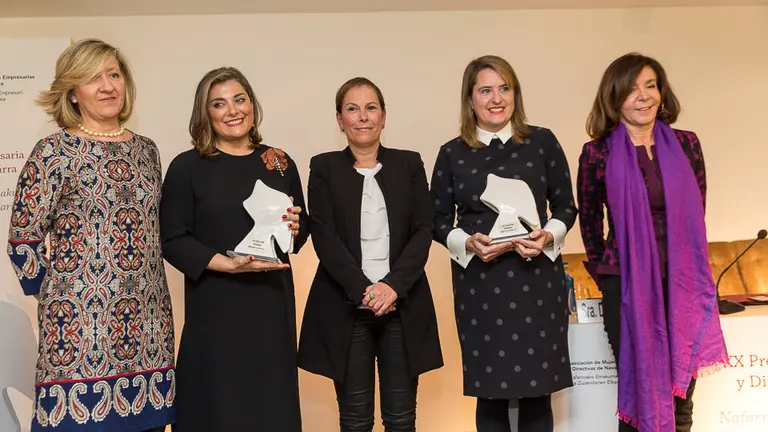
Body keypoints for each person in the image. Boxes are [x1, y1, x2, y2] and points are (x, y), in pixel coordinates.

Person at [7, 38, 175, 431]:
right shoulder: (53, 150)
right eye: (92, 78)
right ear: (72, 92)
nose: (107, 86)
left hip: (149, 329)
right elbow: (22, 239)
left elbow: (162, 228)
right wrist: (58, 296)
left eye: (114, 74)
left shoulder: (147, 150)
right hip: (80, 335)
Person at [577, 52, 728, 432]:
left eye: (650, 85)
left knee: (682, 391)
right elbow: (591, 223)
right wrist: (609, 274)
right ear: (614, 98)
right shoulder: (598, 152)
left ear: (662, 92)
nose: (642, 96)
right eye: (630, 89)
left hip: (684, 280)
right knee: (639, 388)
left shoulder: (687, 144)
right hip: (624, 282)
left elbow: (697, 210)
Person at [430, 55, 577, 432]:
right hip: (481, 285)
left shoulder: (542, 142)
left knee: (537, 392)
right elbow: (437, 220)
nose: (496, 98)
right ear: (470, 99)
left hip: (538, 283)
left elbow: (565, 207)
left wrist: (549, 235)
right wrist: (467, 242)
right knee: (490, 393)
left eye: (504, 88)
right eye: (485, 90)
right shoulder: (451, 153)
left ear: (515, 94)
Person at [160, 67, 309, 431]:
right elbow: (172, 239)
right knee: (216, 407)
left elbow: (298, 234)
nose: (232, 110)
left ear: (252, 105)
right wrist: (226, 265)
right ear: (205, 113)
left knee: (270, 405)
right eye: (219, 103)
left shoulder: (279, 161)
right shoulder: (187, 166)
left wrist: (297, 227)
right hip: (216, 307)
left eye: (239, 99)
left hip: (270, 307)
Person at [298, 77, 443, 432]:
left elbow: (423, 230)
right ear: (339, 120)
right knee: (354, 421)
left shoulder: (409, 164)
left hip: (402, 306)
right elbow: (324, 235)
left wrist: (391, 287)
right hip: (345, 306)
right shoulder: (324, 167)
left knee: (401, 419)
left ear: (383, 116)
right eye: (352, 109)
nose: (362, 117)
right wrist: (366, 290)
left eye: (370, 108)